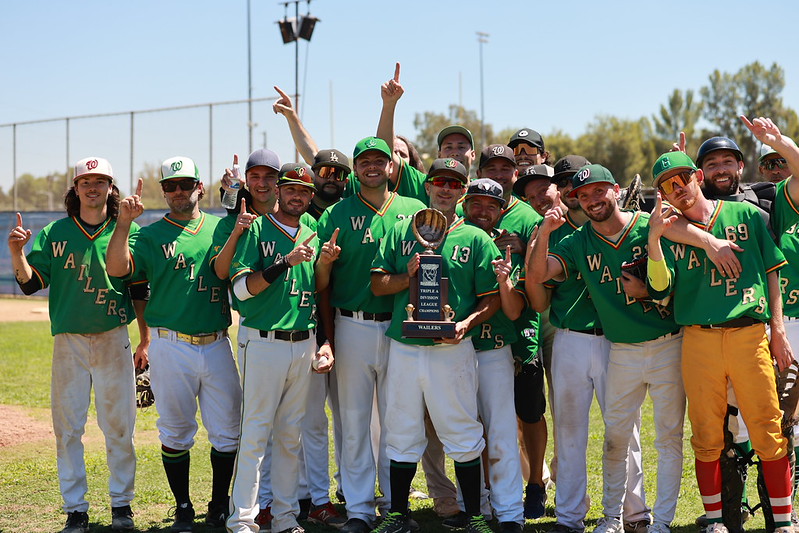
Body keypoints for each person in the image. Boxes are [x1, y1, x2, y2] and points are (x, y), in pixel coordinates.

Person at [528, 164, 685, 533]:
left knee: (630, 433)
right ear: (575, 200)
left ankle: (637, 515)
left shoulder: (648, 226)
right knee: (575, 431)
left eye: (599, 191)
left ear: (616, 189)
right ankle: (570, 517)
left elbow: (682, 278)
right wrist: (543, 231)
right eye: (584, 194)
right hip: (583, 341)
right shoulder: (576, 240)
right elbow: (537, 277)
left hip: (627, 342)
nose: (593, 199)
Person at [647, 149, 794, 533]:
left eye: (684, 179)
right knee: (707, 433)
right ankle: (715, 519)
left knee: (768, 427)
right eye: (669, 185)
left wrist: (777, 329)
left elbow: (774, 272)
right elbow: (660, 287)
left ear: (697, 176)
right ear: (662, 192)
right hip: (699, 339)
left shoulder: (744, 214)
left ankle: (782, 519)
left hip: (749, 334)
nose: (680, 189)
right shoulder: (668, 229)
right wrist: (654, 240)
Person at [8, 157, 147, 533]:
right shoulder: (55, 233)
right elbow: (30, 283)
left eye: (100, 181)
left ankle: (122, 506)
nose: (92, 187)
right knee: (67, 429)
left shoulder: (126, 230)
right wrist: (17, 252)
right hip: (68, 342)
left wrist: (145, 339)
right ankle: (76, 510)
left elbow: (137, 289)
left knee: (119, 427)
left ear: (109, 189)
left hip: (113, 336)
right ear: (75, 189)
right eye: (85, 181)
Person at [107, 156, 242, 532]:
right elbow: (118, 269)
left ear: (200, 186)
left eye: (186, 184)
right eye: (171, 186)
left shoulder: (221, 228)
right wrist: (122, 224)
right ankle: (183, 507)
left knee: (228, 430)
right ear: (163, 192)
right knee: (175, 430)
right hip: (170, 344)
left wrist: (235, 192)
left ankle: (218, 504)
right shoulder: (148, 234)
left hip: (216, 341)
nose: (179, 191)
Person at [370, 158, 501, 533]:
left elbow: (490, 298)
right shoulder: (401, 231)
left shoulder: (475, 237)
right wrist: (404, 274)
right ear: (427, 185)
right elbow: (378, 285)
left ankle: (474, 513)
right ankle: (397, 514)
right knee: (401, 428)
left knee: (461, 429)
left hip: (451, 348)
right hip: (406, 346)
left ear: (463, 190)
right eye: (440, 181)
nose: (447, 189)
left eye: (455, 184)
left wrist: (464, 324)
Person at [315, 136, 427, 533]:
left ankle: (394, 506)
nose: (373, 166)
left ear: (392, 165)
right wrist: (325, 264)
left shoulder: (415, 209)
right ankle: (360, 509)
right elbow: (320, 282)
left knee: (398, 420)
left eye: (381, 159)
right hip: (353, 324)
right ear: (356, 169)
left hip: (402, 326)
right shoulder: (336, 213)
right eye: (365, 161)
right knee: (355, 420)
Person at [225, 164, 323, 533]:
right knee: (255, 433)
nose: (297, 195)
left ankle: (284, 517)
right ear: (279, 191)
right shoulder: (257, 228)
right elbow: (239, 290)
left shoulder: (313, 232)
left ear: (311, 197)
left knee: (289, 435)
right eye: (291, 188)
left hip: (303, 341)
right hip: (262, 340)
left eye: (304, 191)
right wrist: (284, 261)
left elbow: (318, 291)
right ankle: (243, 521)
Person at [474, 144, 547, 519]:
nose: (500, 174)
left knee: (529, 413)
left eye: (506, 168)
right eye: (492, 167)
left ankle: (535, 483)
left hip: (521, 328)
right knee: (486, 420)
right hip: (477, 335)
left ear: (515, 174)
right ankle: (490, 492)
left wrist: (524, 248)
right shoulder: (470, 209)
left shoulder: (527, 215)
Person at [459, 177, 527, 533]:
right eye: (476, 203)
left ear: (502, 210)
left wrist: (505, 280)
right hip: (454, 349)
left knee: (500, 431)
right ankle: (472, 507)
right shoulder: (451, 238)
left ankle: (510, 511)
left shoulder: (509, 246)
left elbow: (515, 311)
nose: (482, 210)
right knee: (463, 432)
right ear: (465, 204)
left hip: (494, 347)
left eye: (491, 205)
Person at [747, 116, 799, 520]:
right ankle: (784, 508)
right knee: (787, 421)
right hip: (792, 322)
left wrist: (780, 142)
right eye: (769, 163)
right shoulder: (780, 200)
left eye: (780, 161)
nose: (776, 168)